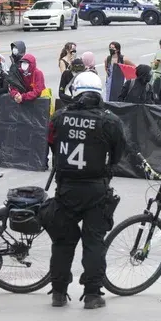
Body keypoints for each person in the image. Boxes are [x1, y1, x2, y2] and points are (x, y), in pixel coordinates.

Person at [46, 72, 126, 308]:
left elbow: (51, 143)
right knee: (94, 242)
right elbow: (119, 151)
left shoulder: (60, 117)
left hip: (66, 188)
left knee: (62, 242)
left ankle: (58, 292)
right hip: (95, 188)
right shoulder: (109, 121)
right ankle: (92, 294)